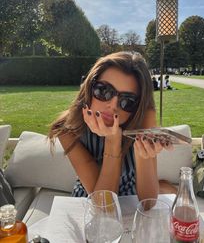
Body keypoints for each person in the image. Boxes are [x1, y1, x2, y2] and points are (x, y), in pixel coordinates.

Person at [48, 51, 175, 201]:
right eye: (103, 90)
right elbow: (102, 202)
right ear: (89, 87)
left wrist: (145, 155)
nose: (113, 106)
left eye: (127, 101)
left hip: (132, 198)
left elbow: (148, 203)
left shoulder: (143, 117)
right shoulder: (68, 128)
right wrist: (112, 140)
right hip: (92, 201)